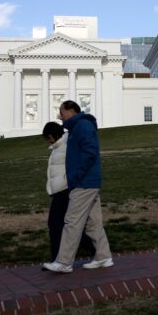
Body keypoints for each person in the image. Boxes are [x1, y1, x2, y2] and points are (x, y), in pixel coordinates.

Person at [43, 101, 114, 273]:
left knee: (72, 221)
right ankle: (103, 256)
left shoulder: (82, 126)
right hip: (86, 181)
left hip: (83, 182)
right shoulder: (75, 128)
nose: (60, 116)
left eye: (62, 112)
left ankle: (64, 262)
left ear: (71, 110)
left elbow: (90, 152)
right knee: (92, 222)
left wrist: (76, 176)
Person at [41, 122, 96, 268]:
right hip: (59, 190)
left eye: (48, 137)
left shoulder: (67, 145)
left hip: (65, 190)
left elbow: (76, 165)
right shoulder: (58, 146)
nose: (48, 140)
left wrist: (68, 183)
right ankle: (95, 251)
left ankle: (57, 260)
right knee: (69, 225)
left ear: (53, 134)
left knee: (55, 224)